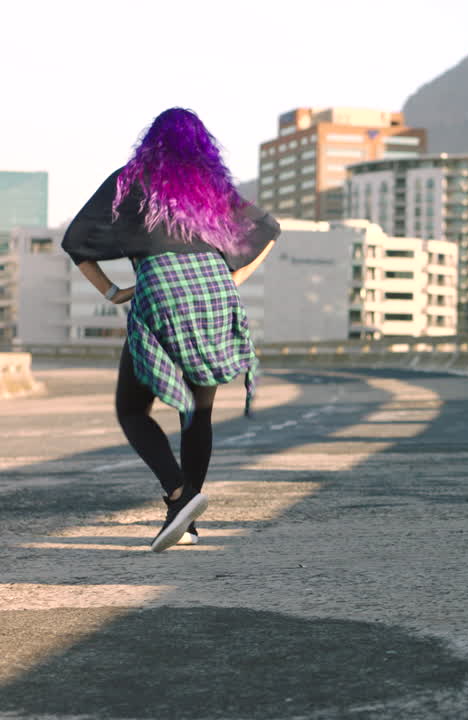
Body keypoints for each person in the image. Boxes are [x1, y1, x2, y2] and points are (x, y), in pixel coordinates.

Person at [62, 108, 279, 553]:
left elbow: (76, 240)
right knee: (197, 414)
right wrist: (235, 279)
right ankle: (188, 523)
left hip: (161, 289)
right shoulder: (210, 187)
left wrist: (111, 291)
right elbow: (269, 228)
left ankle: (180, 493)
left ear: (151, 142)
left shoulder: (130, 180)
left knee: (132, 410)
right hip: (214, 293)